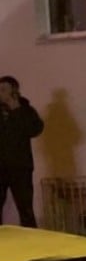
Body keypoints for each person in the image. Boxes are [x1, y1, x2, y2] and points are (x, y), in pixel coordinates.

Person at [0, 76, 44, 227]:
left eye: (3, 90)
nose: (0, 93)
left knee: (25, 208)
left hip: (20, 167)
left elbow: (35, 129)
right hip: (0, 167)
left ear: (14, 91)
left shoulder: (26, 110)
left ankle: (31, 238)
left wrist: (16, 110)